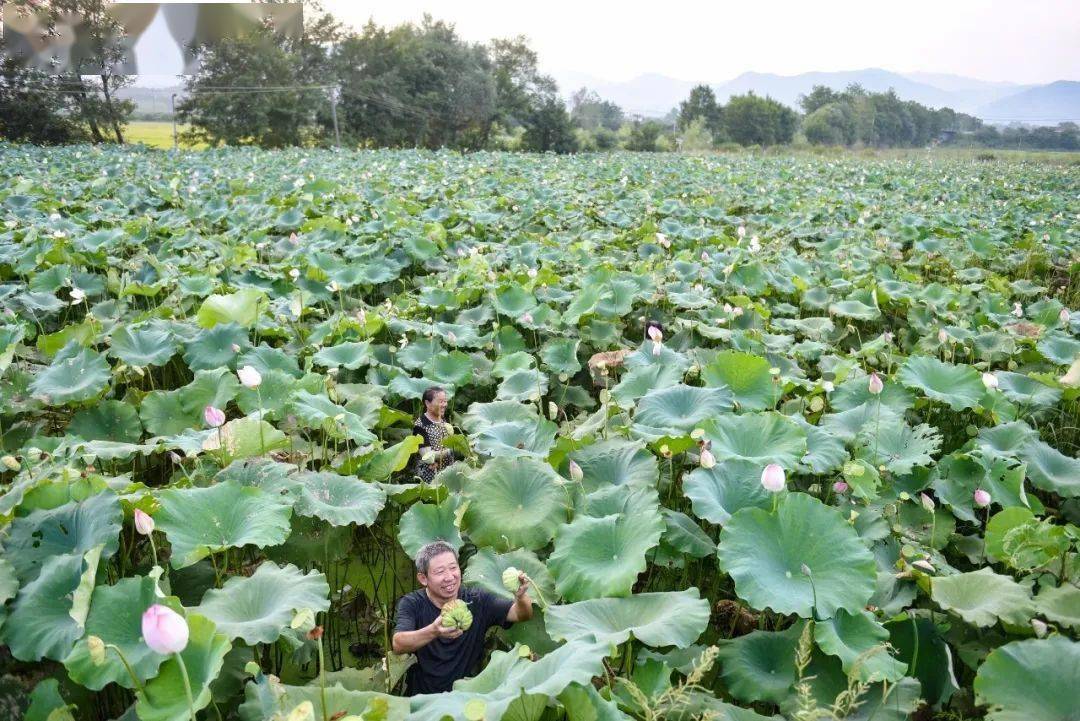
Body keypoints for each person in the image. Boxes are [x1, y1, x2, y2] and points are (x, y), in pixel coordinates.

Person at [391, 541, 534, 695]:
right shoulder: (413, 603)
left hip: (468, 697)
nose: (449, 577)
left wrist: (521, 596)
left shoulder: (477, 600)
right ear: (423, 578)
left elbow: (521, 614)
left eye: (453, 568)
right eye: (440, 572)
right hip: (424, 700)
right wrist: (434, 630)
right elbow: (398, 644)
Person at [413, 386, 455, 482]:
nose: (444, 405)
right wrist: (449, 451)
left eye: (445, 401)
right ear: (427, 403)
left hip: (447, 474)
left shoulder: (442, 419)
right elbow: (427, 456)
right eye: (440, 402)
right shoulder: (420, 426)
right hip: (430, 478)